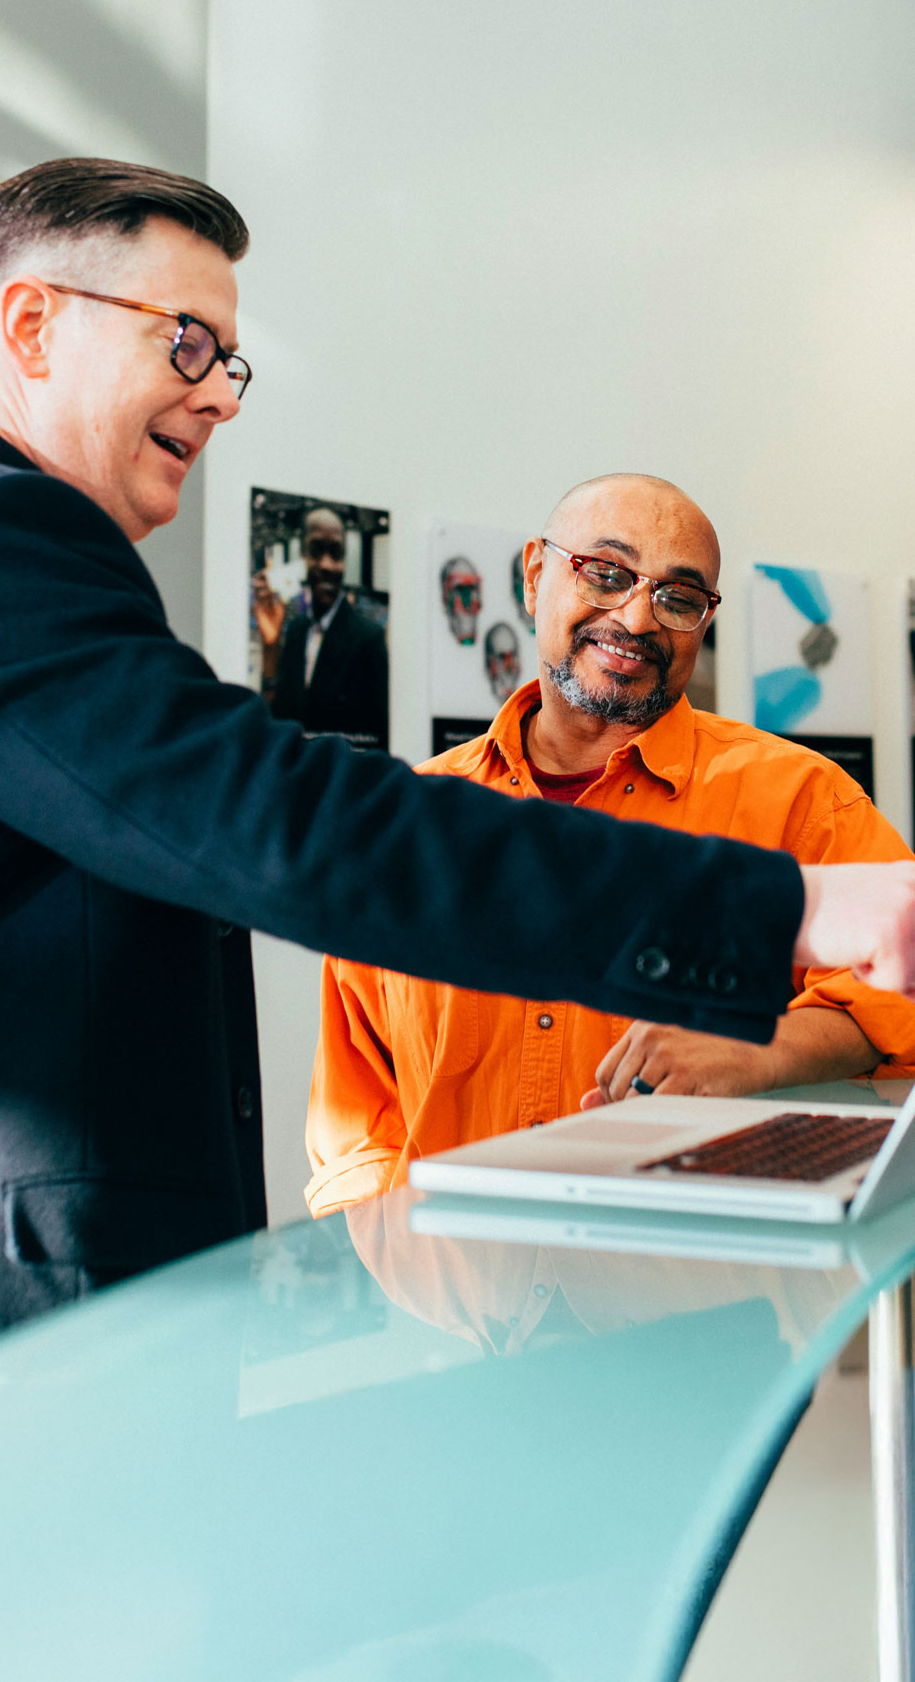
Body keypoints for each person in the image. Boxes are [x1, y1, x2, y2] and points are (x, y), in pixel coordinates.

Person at [0, 160, 913, 1406]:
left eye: (228, 362)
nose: (220, 396)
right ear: (31, 323)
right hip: (7, 1333)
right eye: (189, 344)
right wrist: (785, 912)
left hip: (686, 1339)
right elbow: (285, 830)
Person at [306, 474, 915, 1214]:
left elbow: (901, 991)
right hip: (455, 1303)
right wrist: (397, 1284)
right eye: (606, 572)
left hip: (699, 1300)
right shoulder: (415, 822)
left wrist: (760, 1046)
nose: (636, 617)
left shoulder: (801, 799)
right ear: (535, 575)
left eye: (678, 598)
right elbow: (355, 1123)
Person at [252, 506, 389, 748]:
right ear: (303, 556)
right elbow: (278, 719)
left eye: (336, 554)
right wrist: (270, 647)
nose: (326, 565)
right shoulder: (296, 629)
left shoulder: (368, 639)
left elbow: (377, 741)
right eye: (316, 551)